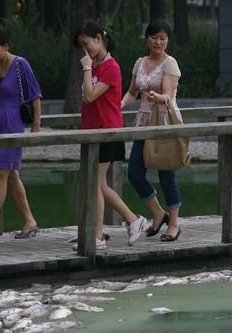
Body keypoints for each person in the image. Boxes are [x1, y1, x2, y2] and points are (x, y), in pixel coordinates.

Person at [73, 20, 146, 250]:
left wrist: (86, 68)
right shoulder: (94, 65)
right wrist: (88, 68)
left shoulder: (110, 67)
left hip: (107, 130)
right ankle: (133, 220)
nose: (85, 51)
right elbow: (87, 98)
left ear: (98, 38)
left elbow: (91, 95)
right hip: (92, 130)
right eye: (81, 47)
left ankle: (97, 237)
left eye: (87, 44)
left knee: (96, 183)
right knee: (99, 184)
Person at [0, 28, 42, 245]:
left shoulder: (21, 64)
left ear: (6, 47)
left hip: (13, 123)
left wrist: (36, 124)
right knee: (11, 175)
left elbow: (35, 95)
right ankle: (30, 221)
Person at [121, 20, 182, 242]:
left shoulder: (170, 64)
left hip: (164, 120)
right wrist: (115, 106)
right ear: (147, 38)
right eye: (154, 37)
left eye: (163, 38)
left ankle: (173, 223)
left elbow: (167, 94)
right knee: (134, 173)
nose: (158, 42)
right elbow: (131, 93)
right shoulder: (140, 62)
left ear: (167, 40)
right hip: (144, 121)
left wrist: (158, 98)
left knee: (166, 174)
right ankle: (158, 213)